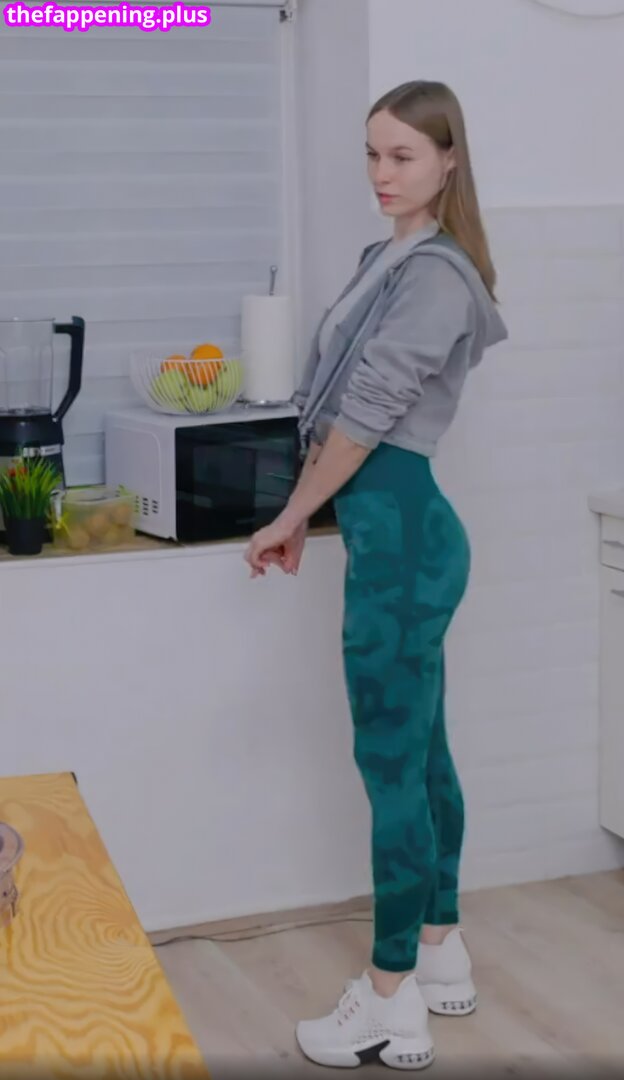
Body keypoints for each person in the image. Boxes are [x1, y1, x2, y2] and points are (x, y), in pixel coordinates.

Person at [244, 80, 508, 1071]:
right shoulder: (383, 258)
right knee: (421, 749)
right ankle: (440, 946)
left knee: (391, 763)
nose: (381, 174)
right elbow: (340, 413)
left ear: (448, 159)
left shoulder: (437, 276)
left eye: (402, 155)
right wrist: (314, 512)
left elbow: (364, 418)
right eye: (372, 153)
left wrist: (291, 514)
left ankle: (390, 997)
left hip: (400, 536)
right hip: (392, 531)